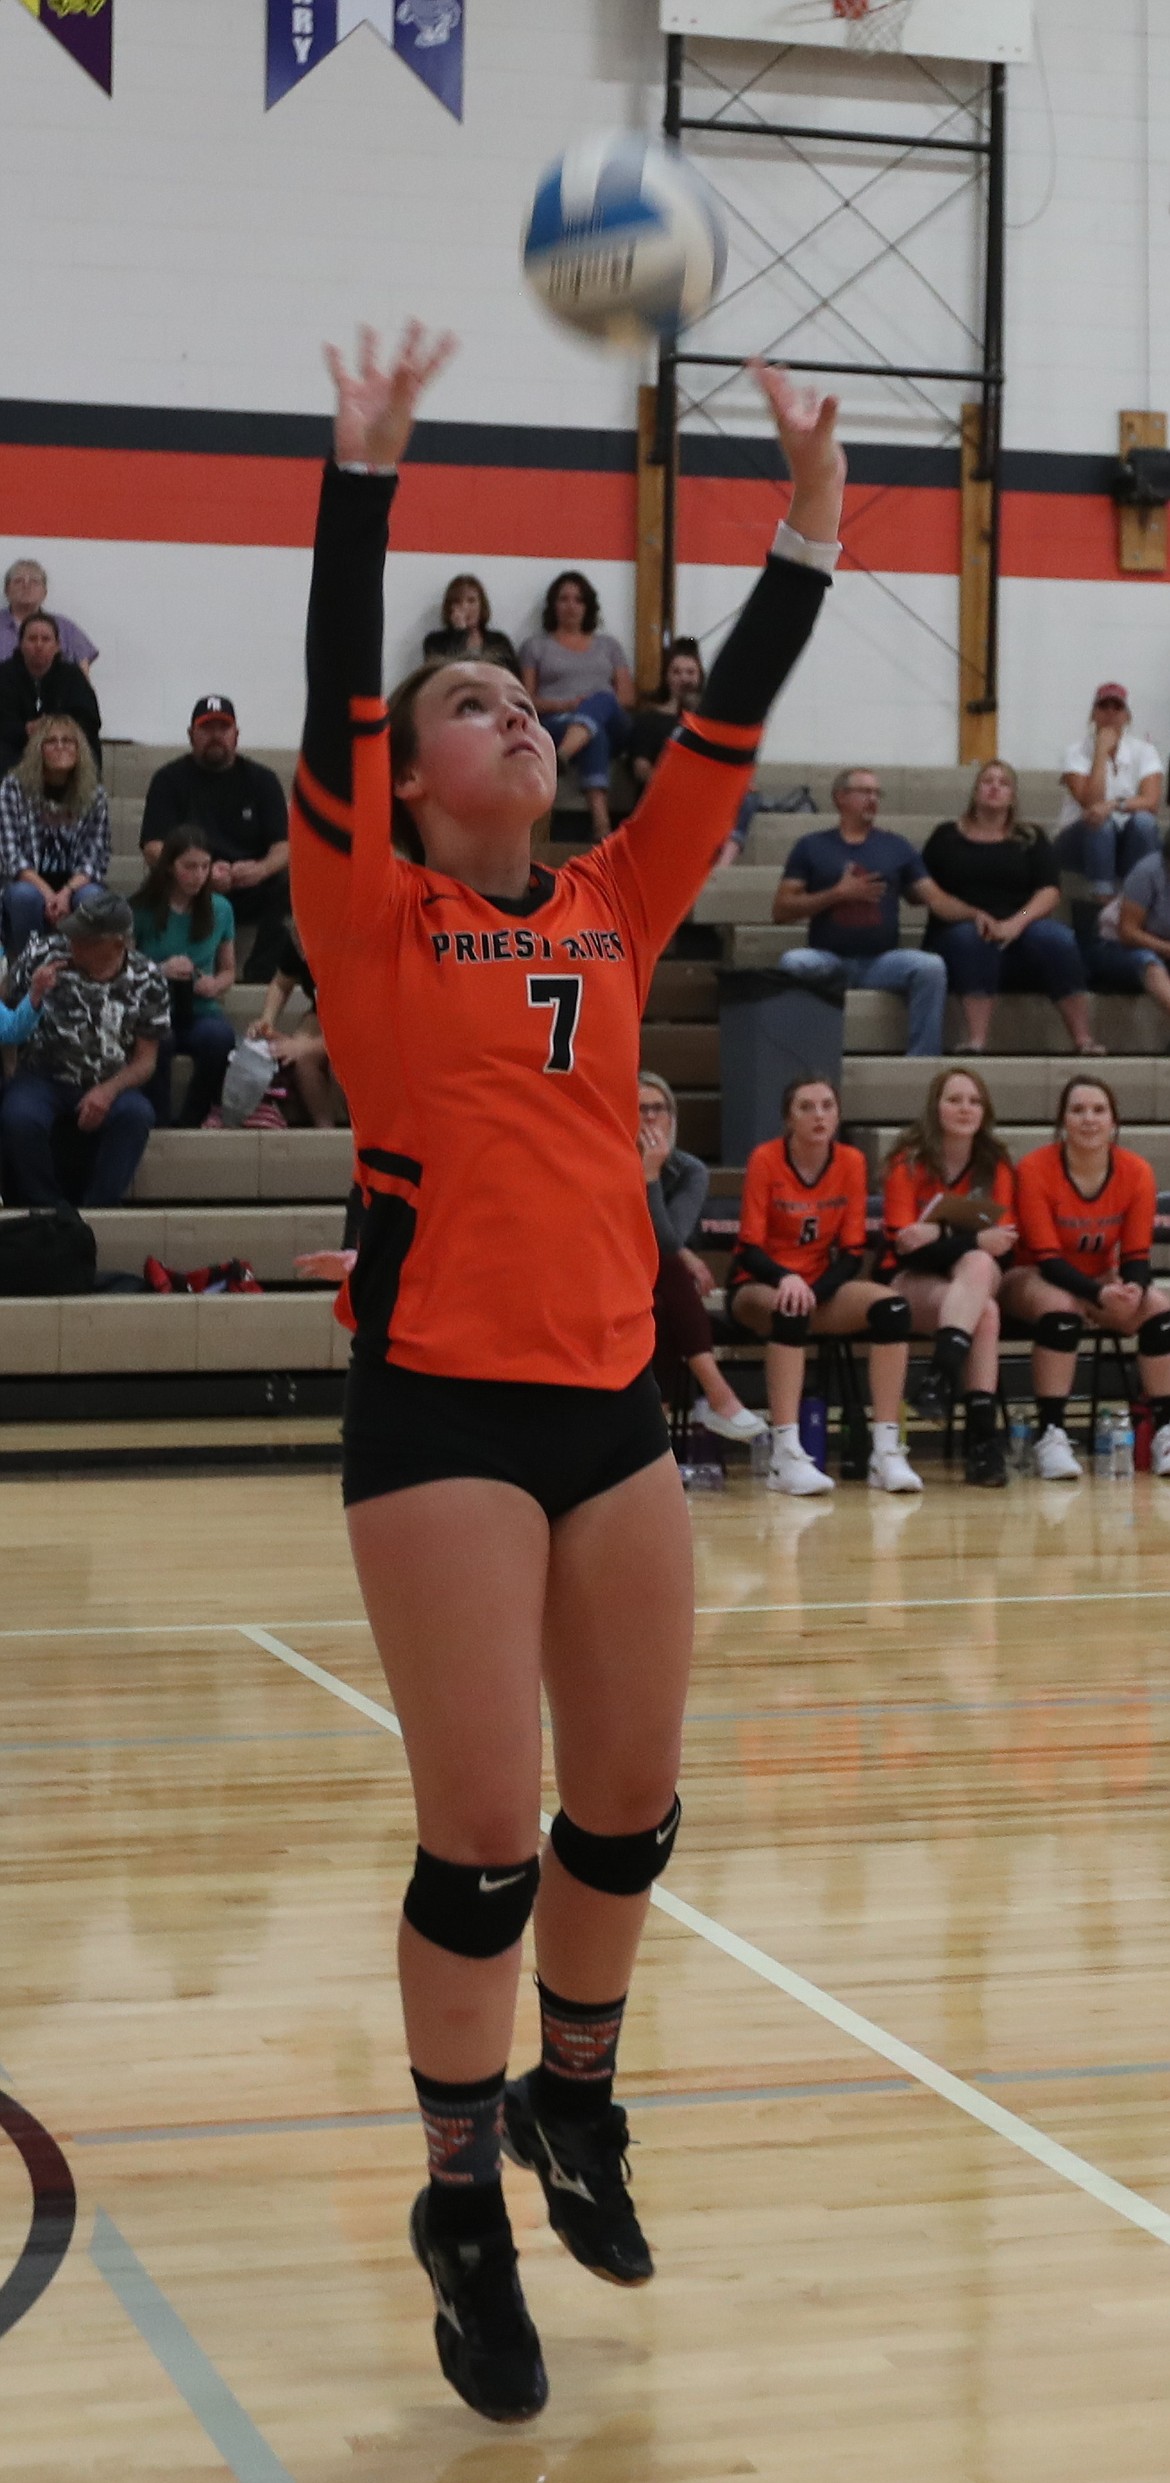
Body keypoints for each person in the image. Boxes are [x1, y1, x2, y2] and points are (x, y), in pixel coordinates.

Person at [289, 319, 843, 2423]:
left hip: (608, 1402)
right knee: (488, 1842)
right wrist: (368, 478)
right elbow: (343, 680)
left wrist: (806, 521)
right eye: (472, 703)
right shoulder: (365, 895)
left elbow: (735, 719)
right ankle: (458, 2197)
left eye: (527, 699)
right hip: (437, 1408)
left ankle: (574, 2101)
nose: (514, 718)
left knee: (630, 1808)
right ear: (417, 769)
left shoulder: (616, 899)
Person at [726, 1076, 923, 1497]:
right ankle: (786, 1454)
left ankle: (885, 1452)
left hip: (819, 1285)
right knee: (791, 1309)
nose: (818, 1115)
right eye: (806, 1107)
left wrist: (814, 1288)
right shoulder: (766, 1159)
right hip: (759, 1284)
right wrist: (788, 1279)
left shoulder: (850, 1161)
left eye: (827, 1106)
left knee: (892, 1310)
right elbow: (748, 1250)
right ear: (788, 1118)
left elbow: (852, 1253)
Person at [1000, 1077, 1170, 1481]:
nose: (1088, 1119)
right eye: (1078, 1111)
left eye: (1098, 1110)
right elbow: (1046, 1257)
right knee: (1062, 1306)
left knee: (1159, 1306)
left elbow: (1135, 1254)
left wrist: (1132, 1289)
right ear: (1062, 1121)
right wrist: (1098, 1293)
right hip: (1031, 1275)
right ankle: (1052, 1434)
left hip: (1099, 1276)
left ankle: (1164, 1431)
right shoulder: (1035, 1168)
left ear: (1114, 1122)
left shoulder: (1136, 1172)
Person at [880, 1069, 1016, 1486]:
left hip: (972, 1277)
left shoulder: (997, 1166)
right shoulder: (908, 1163)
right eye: (954, 1099)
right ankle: (983, 1442)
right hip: (912, 1280)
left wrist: (939, 1232)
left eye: (974, 1101)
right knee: (986, 1312)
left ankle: (940, 1379)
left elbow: (1004, 1245)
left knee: (977, 1269)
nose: (964, 1109)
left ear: (985, 1110)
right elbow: (908, 1248)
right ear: (935, 1108)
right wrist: (969, 1236)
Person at [772, 768, 961, 1057]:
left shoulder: (896, 846)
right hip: (828, 959)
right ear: (840, 798)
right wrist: (837, 894)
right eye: (865, 792)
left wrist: (980, 914)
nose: (873, 799)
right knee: (793, 962)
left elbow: (935, 898)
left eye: (877, 793)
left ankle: (922, 1061)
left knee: (931, 967)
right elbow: (781, 910)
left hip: (881, 962)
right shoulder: (811, 846)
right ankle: (800, 1056)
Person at [923, 761, 1103, 1057]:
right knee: (973, 938)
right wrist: (974, 915)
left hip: (1020, 929)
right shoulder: (945, 837)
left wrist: (1016, 923)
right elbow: (930, 894)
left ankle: (1083, 1040)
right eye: (987, 781)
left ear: (1013, 795)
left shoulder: (1031, 837)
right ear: (975, 791)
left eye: (1003, 783)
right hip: (958, 929)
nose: (995, 787)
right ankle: (976, 1041)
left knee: (1058, 939)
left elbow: (1049, 891)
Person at [1, 891, 169, 1207]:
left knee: (137, 1114)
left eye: (86, 940)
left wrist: (109, 1090)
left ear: (118, 944)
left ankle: (98, 1209)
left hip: (108, 1075)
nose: (74, 944)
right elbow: (5, 1012)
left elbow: (146, 1060)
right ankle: (49, 1208)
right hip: (43, 1073)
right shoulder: (43, 954)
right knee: (19, 1116)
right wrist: (12, 1072)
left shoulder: (149, 979)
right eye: (73, 934)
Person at [638, 1070, 766, 1444]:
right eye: (640, 1108)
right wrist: (645, 1174)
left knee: (661, 1303)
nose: (649, 1118)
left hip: (656, 1278)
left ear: (672, 1117)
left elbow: (669, 1237)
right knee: (674, 1274)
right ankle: (717, 1395)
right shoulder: (605, 1160)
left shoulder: (688, 1169)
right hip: (608, 1270)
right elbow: (659, 1245)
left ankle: (655, 1437)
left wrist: (653, 1177)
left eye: (658, 1109)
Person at [139, 697, 290, 979]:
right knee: (159, 881)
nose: (216, 736)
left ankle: (260, 972)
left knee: (287, 884)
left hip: (249, 886)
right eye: (207, 729)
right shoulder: (169, 779)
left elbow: (284, 846)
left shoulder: (263, 780)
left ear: (236, 735)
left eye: (224, 728)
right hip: (191, 883)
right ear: (191, 735)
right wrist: (200, 872)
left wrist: (261, 869)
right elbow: (152, 846)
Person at [132, 829, 237, 1128]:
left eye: (204, 867)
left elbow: (229, 969)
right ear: (170, 866)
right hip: (155, 1007)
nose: (198, 875)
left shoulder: (221, 909)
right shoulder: (142, 908)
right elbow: (123, 966)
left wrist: (215, 984)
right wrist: (159, 969)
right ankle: (160, 1121)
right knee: (158, 1041)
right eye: (189, 867)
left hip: (199, 1007)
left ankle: (194, 1118)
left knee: (220, 1038)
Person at [519, 571, 635, 840]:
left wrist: (588, 707)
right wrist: (566, 704)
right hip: (557, 720)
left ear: (588, 606)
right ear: (553, 605)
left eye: (578, 600)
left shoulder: (609, 645)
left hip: (611, 719)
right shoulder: (536, 646)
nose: (571, 606)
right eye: (564, 599)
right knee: (594, 735)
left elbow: (627, 698)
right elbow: (527, 699)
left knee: (602, 699)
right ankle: (602, 827)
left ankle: (562, 757)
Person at [0, 715, 111, 955]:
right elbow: (11, 857)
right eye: (51, 741)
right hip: (29, 881)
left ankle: (86, 970)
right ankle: (24, 968)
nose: (60, 746)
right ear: (38, 749)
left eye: (68, 741)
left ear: (79, 749)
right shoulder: (13, 788)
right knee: (24, 896)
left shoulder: (95, 794)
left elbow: (96, 859)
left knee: (92, 897)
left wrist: (66, 892)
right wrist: (49, 894)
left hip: (75, 884)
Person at [1055, 683, 1161, 916]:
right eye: (1104, 706)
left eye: (1117, 707)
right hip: (1079, 840)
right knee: (1099, 822)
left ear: (1127, 715)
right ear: (1093, 714)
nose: (1110, 712)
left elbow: (1151, 802)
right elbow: (1091, 804)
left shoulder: (1144, 751)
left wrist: (1114, 804)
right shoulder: (1075, 752)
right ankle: (1104, 900)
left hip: (1124, 839)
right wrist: (1101, 752)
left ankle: (1140, 896)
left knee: (1144, 822)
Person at [246, 921, 340, 1128]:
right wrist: (267, 1019)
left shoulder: (352, 954)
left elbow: (361, 1030)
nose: (298, 944)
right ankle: (325, 1128)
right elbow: (281, 983)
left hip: (369, 1022)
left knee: (331, 1060)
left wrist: (306, 1046)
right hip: (324, 1013)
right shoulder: (297, 943)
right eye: (295, 936)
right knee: (302, 1059)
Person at [0, 614, 103, 779]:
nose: (39, 645)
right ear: (20, 645)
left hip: (63, 744)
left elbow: (90, 720)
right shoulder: (4, 675)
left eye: (46, 639)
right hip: (17, 747)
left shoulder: (73, 676)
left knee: (89, 746)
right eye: (32, 639)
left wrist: (56, 729)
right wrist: (26, 729)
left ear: (57, 646)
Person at [0, 560, 98, 673]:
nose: (26, 586)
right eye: (18, 581)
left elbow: (82, 674)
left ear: (44, 592)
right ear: (7, 590)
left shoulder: (65, 628)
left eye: (34, 581)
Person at [424, 575, 519, 674]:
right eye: (457, 602)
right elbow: (443, 674)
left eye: (471, 601)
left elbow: (513, 676)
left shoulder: (499, 641)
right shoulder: (434, 641)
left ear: (481, 605)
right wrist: (459, 633)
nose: (465, 607)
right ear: (449, 608)